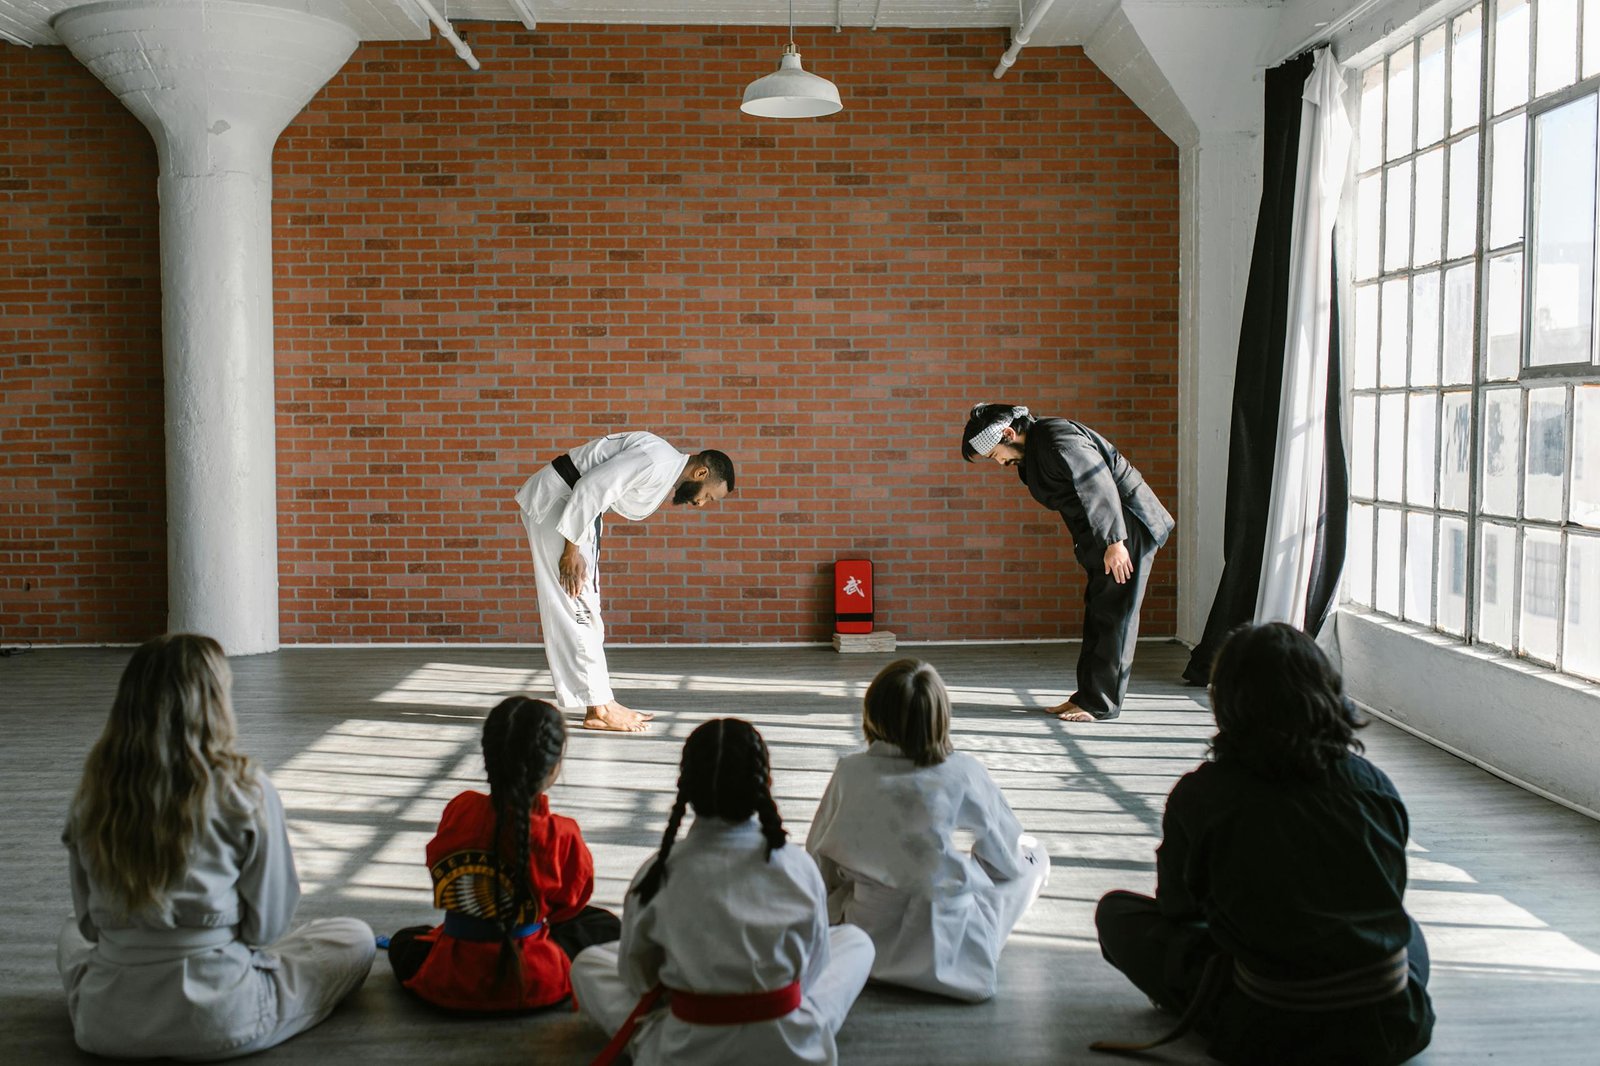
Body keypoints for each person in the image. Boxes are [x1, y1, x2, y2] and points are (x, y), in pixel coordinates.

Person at [1092, 622, 1435, 1065]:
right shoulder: (1373, 784)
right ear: (1326, 692)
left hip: (1271, 1027)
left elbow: (1179, 909)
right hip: (1393, 1024)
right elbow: (1386, 892)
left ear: (1229, 703)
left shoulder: (1203, 794)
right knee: (1407, 929)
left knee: (1117, 914)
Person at [58, 634, 374, 1061]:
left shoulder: (92, 792)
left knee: (67, 940)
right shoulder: (245, 789)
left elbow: (88, 929)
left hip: (106, 1023)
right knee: (354, 937)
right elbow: (266, 930)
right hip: (223, 1019)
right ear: (214, 702)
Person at [570, 718, 874, 1066]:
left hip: (685, 1046)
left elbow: (638, 978)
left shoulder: (657, 873)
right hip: (790, 1043)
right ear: (765, 783)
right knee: (855, 942)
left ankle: (654, 1041)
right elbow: (815, 968)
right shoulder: (797, 866)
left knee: (589, 964)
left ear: (685, 787)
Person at [806, 658, 1049, 1002]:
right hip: (950, 951)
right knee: (1033, 858)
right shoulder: (964, 772)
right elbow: (1005, 863)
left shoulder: (850, 772)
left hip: (868, 943)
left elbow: (819, 860)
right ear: (940, 717)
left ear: (872, 711)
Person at [386, 696, 620, 1012]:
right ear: (553, 767)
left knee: (404, 940)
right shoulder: (561, 833)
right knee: (603, 925)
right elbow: (568, 908)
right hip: (536, 980)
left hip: (449, 976)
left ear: (488, 756)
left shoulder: (460, 809)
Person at [960, 403, 1174, 722]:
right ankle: (1086, 696)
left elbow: (1097, 484)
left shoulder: (1058, 439)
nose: (1000, 462)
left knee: (1116, 614)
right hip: (1106, 534)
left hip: (1126, 527)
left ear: (1008, 433)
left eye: (995, 455)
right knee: (1100, 609)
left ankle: (1101, 704)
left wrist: (1115, 542)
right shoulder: (1035, 451)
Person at [515, 432, 735, 733]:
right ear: (701, 473)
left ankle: (602, 701)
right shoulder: (657, 460)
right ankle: (598, 709)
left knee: (585, 607)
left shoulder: (662, 460)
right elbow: (592, 486)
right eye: (708, 495)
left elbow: (597, 489)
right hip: (559, 504)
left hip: (570, 508)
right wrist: (572, 550)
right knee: (577, 606)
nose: (700, 503)